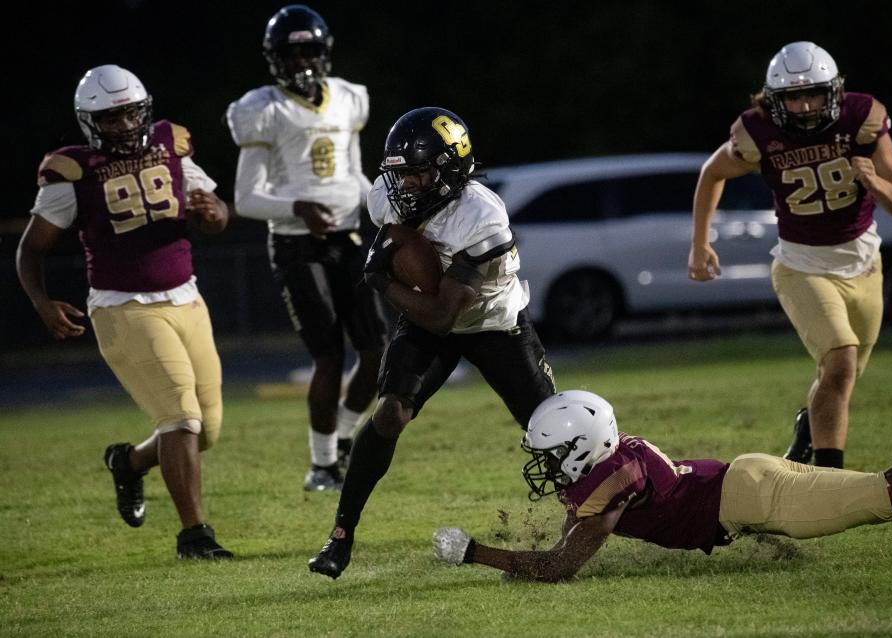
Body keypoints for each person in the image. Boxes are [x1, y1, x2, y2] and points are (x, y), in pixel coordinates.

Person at [308, 107, 557, 579]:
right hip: (424, 315)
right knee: (388, 413)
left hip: (491, 322)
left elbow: (445, 316)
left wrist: (379, 280)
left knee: (552, 429)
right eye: (401, 175)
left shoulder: (481, 216)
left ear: (450, 169)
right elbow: (424, 299)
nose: (407, 186)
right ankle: (340, 535)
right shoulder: (384, 196)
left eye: (420, 173)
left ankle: (589, 520)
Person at [16, 64, 233, 559]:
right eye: (111, 119)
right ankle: (195, 537)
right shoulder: (71, 170)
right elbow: (31, 249)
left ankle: (130, 463)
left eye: (131, 114)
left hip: (186, 297)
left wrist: (212, 214)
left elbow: (217, 213)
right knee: (182, 416)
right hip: (124, 307)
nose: (124, 126)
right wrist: (41, 302)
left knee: (208, 430)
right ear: (90, 122)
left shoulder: (170, 142)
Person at [432, 390, 892, 582]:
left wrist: (475, 553)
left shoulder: (608, 482)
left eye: (550, 456)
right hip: (747, 479)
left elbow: (562, 566)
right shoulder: (614, 458)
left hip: (755, 496)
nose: (545, 468)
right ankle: (794, 455)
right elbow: (567, 540)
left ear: (580, 448)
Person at [688, 41, 892, 469]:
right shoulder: (759, 132)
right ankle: (828, 477)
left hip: (865, 263)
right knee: (841, 361)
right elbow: (712, 172)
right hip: (801, 265)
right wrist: (700, 243)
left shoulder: (861, 119)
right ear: (775, 100)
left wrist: (876, 184)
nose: (807, 105)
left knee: (840, 375)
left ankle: (807, 427)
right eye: (794, 97)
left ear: (835, 91)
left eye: (814, 93)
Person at [226, 4, 389, 492]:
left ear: (325, 52)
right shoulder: (263, 110)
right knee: (329, 356)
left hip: (349, 237)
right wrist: (298, 207)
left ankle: (338, 440)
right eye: (292, 53)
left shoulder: (347, 98)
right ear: (276, 58)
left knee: (378, 351)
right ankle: (321, 466)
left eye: (310, 50)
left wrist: (389, 207)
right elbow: (245, 199)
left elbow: (353, 173)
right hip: (298, 246)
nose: (302, 62)